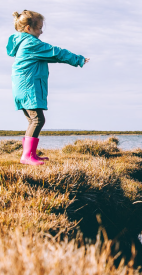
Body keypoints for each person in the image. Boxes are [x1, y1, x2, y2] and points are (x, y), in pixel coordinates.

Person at [6, 10, 89, 165]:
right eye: (38, 28)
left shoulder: (23, 42)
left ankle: (30, 154)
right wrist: (78, 59)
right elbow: (55, 53)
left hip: (22, 88)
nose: (41, 31)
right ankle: (27, 156)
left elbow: (52, 56)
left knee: (33, 120)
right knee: (38, 120)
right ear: (28, 29)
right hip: (29, 87)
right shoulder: (31, 43)